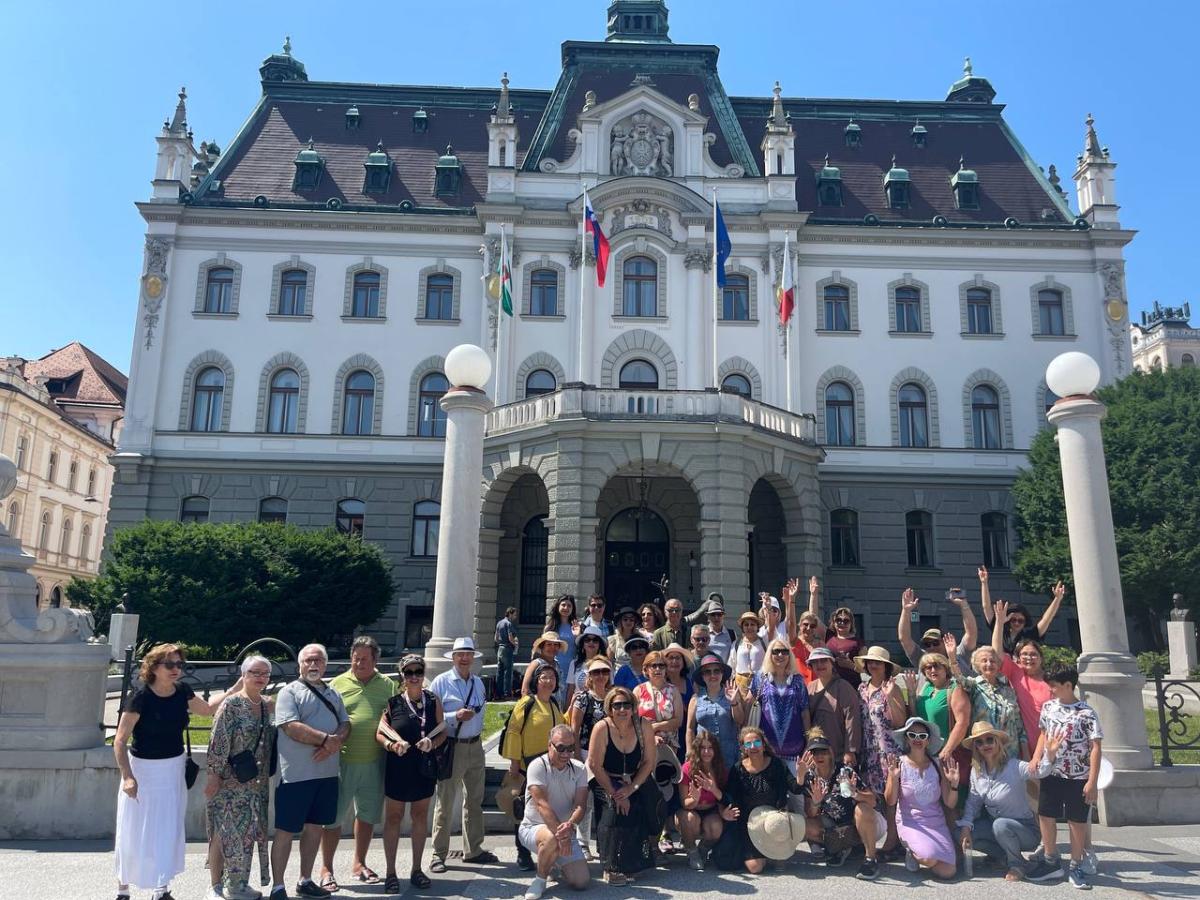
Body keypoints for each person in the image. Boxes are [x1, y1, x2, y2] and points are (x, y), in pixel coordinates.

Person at [113, 643, 240, 900]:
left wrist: (235, 689)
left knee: (167, 827)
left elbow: (207, 710)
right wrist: (127, 777)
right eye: (169, 664)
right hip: (143, 770)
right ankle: (123, 889)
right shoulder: (140, 697)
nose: (176, 669)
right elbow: (120, 740)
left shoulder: (182, 691)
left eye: (179, 664)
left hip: (172, 768)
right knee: (133, 828)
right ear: (153, 667)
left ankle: (161, 889)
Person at [270, 643, 350, 900]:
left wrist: (334, 742)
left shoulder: (333, 693)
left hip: (327, 775)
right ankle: (277, 887)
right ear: (300, 665)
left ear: (325, 664)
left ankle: (305, 880)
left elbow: (345, 723)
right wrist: (327, 740)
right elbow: (290, 726)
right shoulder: (289, 692)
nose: (313, 664)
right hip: (295, 776)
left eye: (318, 660)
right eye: (308, 660)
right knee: (285, 831)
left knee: (315, 828)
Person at [318, 636, 394, 891]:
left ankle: (359, 863)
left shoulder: (387, 685)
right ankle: (326, 868)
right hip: (341, 763)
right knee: (332, 819)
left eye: (365, 659)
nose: (359, 663)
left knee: (367, 816)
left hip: (374, 763)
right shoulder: (337, 684)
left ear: (375, 660)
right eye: (355, 658)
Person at [205, 655, 275, 900]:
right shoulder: (232, 704)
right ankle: (215, 886)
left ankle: (238, 883)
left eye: (265, 674)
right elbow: (218, 741)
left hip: (256, 782)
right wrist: (214, 775)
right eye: (255, 672)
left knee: (247, 834)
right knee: (223, 831)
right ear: (243, 675)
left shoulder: (266, 705)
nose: (260, 677)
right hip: (229, 781)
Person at [429, 638, 498, 873]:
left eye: (468, 654)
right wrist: (454, 716)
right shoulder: (441, 682)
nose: (465, 658)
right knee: (445, 802)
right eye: (460, 654)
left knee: (475, 801)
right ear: (453, 657)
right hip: (452, 746)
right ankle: (438, 854)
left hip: (476, 746)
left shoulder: (478, 682)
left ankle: (473, 850)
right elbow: (431, 716)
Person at [1032, 665, 1103, 890]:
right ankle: (1051, 860)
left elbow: (1095, 747)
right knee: (1046, 814)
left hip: (1078, 776)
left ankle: (1076, 865)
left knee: (1077, 821)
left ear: (1068, 685)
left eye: (1054, 686)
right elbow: (1043, 734)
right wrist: (1036, 757)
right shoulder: (1048, 707)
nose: (1050, 690)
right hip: (1052, 772)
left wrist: (1092, 781)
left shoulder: (1087, 713)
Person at [378, 654, 445, 892]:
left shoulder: (433, 700)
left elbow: (442, 730)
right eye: (409, 673)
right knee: (393, 818)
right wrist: (391, 745)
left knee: (419, 816)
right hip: (398, 767)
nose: (414, 677)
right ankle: (391, 873)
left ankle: (417, 869)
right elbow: (380, 732)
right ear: (402, 676)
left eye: (418, 672)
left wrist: (432, 743)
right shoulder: (393, 702)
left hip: (423, 767)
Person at [588, 686, 662, 885]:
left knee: (650, 805)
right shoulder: (602, 728)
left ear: (633, 707)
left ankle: (639, 856)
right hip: (605, 779)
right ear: (609, 708)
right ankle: (610, 866)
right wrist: (617, 794)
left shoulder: (643, 725)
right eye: (617, 705)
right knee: (613, 811)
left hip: (634, 779)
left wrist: (631, 788)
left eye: (627, 705)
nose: (622, 709)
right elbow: (594, 765)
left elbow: (649, 762)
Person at [956, 722, 1048, 881]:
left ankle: (1017, 865)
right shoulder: (976, 772)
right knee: (959, 833)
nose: (985, 745)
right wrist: (965, 827)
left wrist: (1049, 755)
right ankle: (1005, 857)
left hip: (1025, 829)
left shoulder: (1014, 766)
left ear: (997, 742)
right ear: (976, 747)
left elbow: (1041, 772)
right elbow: (973, 804)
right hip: (996, 826)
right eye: (979, 742)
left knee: (1000, 825)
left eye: (989, 740)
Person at [502, 664, 567, 871]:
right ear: (536, 681)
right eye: (544, 677)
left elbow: (562, 727)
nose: (548, 681)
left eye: (552, 678)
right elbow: (513, 731)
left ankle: (549, 852)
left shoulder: (554, 703)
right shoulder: (527, 703)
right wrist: (514, 761)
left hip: (550, 767)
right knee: (522, 810)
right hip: (527, 766)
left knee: (548, 809)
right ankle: (522, 853)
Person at [798, 727, 886, 879]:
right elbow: (810, 813)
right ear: (810, 755)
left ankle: (870, 859)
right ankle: (841, 849)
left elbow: (872, 801)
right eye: (815, 752)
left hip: (862, 824)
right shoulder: (810, 778)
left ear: (830, 753)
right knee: (805, 825)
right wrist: (816, 802)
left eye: (823, 751)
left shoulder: (845, 771)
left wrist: (856, 793)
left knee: (862, 809)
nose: (819, 756)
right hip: (836, 827)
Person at [717, 725, 805, 873]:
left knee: (775, 859)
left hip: (774, 822)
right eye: (748, 744)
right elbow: (728, 796)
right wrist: (723, 811)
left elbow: (795, 788)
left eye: (757, 742)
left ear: (763, 745)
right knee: (755, 867)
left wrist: (800, 776)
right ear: (743, 748)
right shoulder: (738, 769)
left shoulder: (777, 764)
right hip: (750, 824)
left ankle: (773, 852)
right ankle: (767, 855)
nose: (753, 747)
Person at [520, 725, 592, 900]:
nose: (566, 753)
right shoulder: (537, 766)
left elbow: (580, 805)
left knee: (581, 882)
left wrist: (571, 825)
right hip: (534, 827)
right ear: (549, 745)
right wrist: (563, 837)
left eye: (570, 748)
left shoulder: (580, 768)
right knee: (551, 838)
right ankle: (540, 880)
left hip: (565, 830)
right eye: (561, 748)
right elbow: (542, 805)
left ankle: (552, 860)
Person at [886, 717, 958, 879]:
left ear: (928, 741)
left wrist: (954, 785)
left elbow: (950, 802)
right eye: (912, 735)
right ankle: (912, 851)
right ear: (906, 739)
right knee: (929, 858)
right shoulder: (898, 764)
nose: (917, 739)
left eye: (922, 736)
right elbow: (890, 801)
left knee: (948, 871)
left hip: (936, 823)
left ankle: (922, 852)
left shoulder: (938, 765)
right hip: (911, 822)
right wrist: (893, 778)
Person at [992, 599, 1053, 763]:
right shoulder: (1016, 672)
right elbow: (996, 653)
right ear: (1018, 659)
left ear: (1041, 658)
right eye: (1024, 654)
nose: (1028, 658)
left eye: (1033, 654)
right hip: (1023, 746)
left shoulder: (1052, 680)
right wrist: (999, 622)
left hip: (1050, 744)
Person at [948, 646, 1028, 761]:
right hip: (984, 754)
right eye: (984, 661)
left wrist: (1026, 755)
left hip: (1010, 753)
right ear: (977, 665)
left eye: (992, 661)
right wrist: (952, 658)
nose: (989, 664)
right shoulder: (973, 685)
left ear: (998, 665)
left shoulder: (1008, 690)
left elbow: (1019, 725)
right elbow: (959, 679)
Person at [747, 639, 811, 773]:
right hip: (767, 753)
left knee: (796, 786)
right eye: (776, 651)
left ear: (789, 655)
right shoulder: (760, 678)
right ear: (769, 654)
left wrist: (808, 741)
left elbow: (805, 713)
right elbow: (749, 705)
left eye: (784, 651)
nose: (780, 655)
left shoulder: (798, 680)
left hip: (795, 752)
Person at [570, 657, 612, 858]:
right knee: (585, 800)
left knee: (605, 799)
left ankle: (604, 843)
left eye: (604, 671)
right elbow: (574, 729)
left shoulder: (614, 697)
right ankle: (582, 842)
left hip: (609, 754)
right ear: (589, 676)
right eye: (596, 672)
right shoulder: (582, 698)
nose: (601, 676)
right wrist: (578, 756)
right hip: (586, 753)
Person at [980, 566, 1066, 655]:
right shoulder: (999, 629)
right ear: (1008, 620)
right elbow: (986, 607)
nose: (1017, 623)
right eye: (1013, 620)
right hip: (1000, 663)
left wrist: (1057, 599)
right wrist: (984, 583)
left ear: (1025, 622)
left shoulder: (1029, 635)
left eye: (1020, 621)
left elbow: (1046, 619)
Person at [897, 586, 978, 675]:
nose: (932, 647)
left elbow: (971, 634)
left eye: (935, 643)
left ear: (945, 642)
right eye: (927, 645)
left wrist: (964, 605)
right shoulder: (922, 657)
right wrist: (906, 610)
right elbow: (904, 639)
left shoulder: (959, 654)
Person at [805, 647, 862, 769]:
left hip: (838, 755)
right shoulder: (809, 687)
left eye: (823, 660)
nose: (819, 665)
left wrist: (850, 750)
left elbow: (852, 720)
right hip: (815, 754)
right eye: (815, 662)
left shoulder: (844, 687)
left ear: (832, 663)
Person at [677, 730, 727, 870]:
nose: (706, 752)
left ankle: (703, 849)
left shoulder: (720, 769)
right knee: (689, 819)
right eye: (702, 748)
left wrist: (713, 789)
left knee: (716, 827)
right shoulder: (687, 768)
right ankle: (692, 851)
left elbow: (723, 799)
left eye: (710, 748)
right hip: (690, 810)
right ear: (697, 750)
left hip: (711, 810)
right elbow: (684, 803)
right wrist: (695, 799)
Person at [687, 652, 747, 767]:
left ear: (722, 674)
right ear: (702, 676)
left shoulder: (732, 694)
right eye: (707, 672)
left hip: (729, 755)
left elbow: (740, 721)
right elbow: (690, 729)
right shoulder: (695, 699)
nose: (712, 675)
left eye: (716, 671)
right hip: (704, 756)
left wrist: (734, 703)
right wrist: (689, 752)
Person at [634, 650, 683, 750]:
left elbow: (678, 721)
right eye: (654, 665)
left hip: (668, 747)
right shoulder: (638, 690)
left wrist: (656, 727)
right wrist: (650, 734)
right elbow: (633, 720)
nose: (658, 669)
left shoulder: (673, 691)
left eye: (661, 666)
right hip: (644, 744)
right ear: (646, 669)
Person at [785, 576, 822, 679]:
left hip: (817, 685)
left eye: (812, 626)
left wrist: (814, 595)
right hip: (798, 685)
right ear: (799, 625)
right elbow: (791, 623)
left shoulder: (820, 644)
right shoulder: (795, 641)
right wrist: (792, 600)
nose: (809, 628)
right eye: (805, 625)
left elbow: (814, 616)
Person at [520, 632, 568, 705]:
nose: (552, 647)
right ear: (542, 647)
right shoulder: (536, 664)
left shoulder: (557, 665)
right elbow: (525, 689)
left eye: (555, 645)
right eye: (549, 644)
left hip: (555, 707)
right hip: (539, 707)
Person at [664, 643, 695, 751]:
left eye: (678, 658)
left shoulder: (690, 682)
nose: (674, 661)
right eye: (671, 658)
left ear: (683, 662)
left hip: (689, 731)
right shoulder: (661, 684)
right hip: (668, 735)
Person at [544, 595, 579, 690]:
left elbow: (581, 648)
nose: (566, 608)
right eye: (563, 605)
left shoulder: (576, 627)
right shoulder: (550, 627)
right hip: (553, 667)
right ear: (558, 606)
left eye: (569, 606)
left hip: (571, 667)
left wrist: (578, 636)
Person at [566, 626, 607, 704]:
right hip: (577, 706)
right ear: (583, 644)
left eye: (595, 640)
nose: (591, 642)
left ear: (600, 645)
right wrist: (567, 708)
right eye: (587, 640)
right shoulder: (574, 664)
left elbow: (609, 688)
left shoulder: (606, 664)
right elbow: (570, 690)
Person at [823, 605, 864, 682]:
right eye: (838, 620)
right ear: (834, 622)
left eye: (846, 621)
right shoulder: (828, 636)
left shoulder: (858, 643)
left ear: (851, 623)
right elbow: (813, 617)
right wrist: (814, 597)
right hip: (830, 683)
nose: (842, 623)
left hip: (851, 684)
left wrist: (850, 665)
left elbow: (865, 669)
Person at [729, 610, 766, 690]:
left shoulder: (764, 643)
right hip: (740, 683)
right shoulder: (737, 643)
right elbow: (732, 663)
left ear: (757, 627)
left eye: (752, 624)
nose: (749, 627)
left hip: (760, 682)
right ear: (742, 628)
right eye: (746, 625)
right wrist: (732, 681)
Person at [496, 606, 520, 699]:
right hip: (507, 649)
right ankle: (507, 693)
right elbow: (510, 638)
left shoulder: (499, 623)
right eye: (514, 615)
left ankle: (498, 693)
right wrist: (515, 644)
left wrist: (501, 643)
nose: (515, 617)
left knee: (500, 671)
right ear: (510, 613)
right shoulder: (508, 624)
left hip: (500, 649)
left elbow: (496, 638)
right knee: (508, 672)